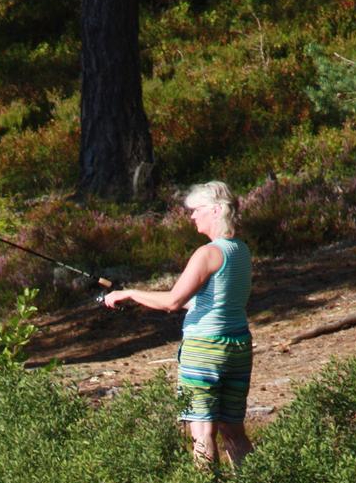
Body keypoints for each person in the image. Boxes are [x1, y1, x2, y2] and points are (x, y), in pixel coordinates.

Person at [103, 180, 253, 466]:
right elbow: (204, 301)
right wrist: (137, 297)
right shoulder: (241, 251)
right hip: (238, 347)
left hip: (204, 350)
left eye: (196, 210)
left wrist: (131, 293)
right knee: (234, 432)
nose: (192, 216)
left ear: (217, 210)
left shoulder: (207, 253)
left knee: (202, 431)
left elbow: (173, 302)